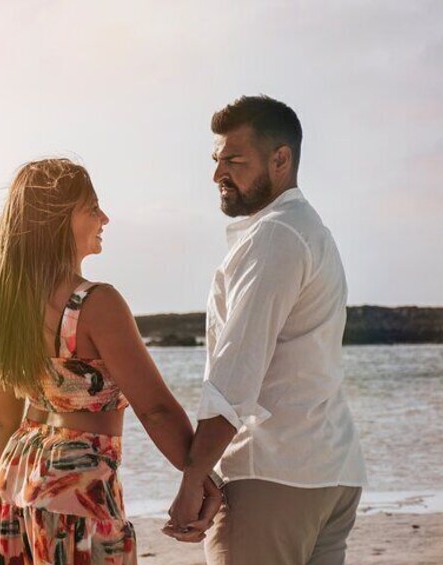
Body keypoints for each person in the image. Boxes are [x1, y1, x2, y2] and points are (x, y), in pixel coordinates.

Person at [0, 158, 221, 564]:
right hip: (79, 494)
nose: (104, 217)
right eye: (92, 208)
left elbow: (2, 422)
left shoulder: (6, 304)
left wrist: (12, 501)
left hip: (13, 485)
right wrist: (198, 475)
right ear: (59, 221)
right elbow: (156, 410)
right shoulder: (95, 304)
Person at [166, 96, 368, 565]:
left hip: (274, 474)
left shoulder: (276, 236)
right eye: (216, 160)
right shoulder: (310, 230)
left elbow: (235, 375)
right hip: (329, 472)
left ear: (281, 159)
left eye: (234, 160)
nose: (218, 174)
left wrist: (193, 478)